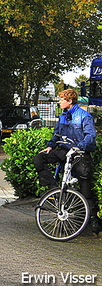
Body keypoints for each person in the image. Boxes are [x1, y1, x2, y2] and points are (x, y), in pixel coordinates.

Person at [33, 88, 100, 235]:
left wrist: (78, 147)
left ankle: (94, 219)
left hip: (79, 153)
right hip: (64, 151)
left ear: (70, 101)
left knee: (85, 185)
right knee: (39, 158)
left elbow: (90, 138)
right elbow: (56, 135)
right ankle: (54, 190)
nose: (59, 102)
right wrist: (50, 146)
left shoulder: (84, 116)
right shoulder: (63, 116)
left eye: (61, 99)